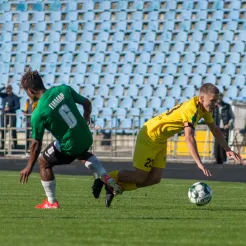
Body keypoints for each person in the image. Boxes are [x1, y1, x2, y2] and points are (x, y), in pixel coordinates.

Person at [93, 83, 244, 207]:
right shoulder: (191, 108)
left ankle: (113, 187)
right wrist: (199, 163)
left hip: (160, 140)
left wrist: (228, 149)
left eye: (216, 101)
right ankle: (104, 178)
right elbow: (189, 137)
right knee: (140, 176)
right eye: (212, 101)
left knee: (155, 178)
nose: (215, 104)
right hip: (150, 135)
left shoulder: (204, 109)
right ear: (201, 98)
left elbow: (215, 129)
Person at [19, 68, 121, 209]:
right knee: (80, 153)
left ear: (30, 91)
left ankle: (51, 202)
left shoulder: (38, 113)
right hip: (86, 136)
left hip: (70, 143)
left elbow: (36, 144)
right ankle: (106, 177)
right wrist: (86, 118)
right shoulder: (63, 89)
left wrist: (29, 167)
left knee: (44, 161)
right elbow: (87, 104)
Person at [212, 93, 235, 164]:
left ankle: (223, 159)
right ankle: (217, 159)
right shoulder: (214, 107)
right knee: (216, 144)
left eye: (219, 98)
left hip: (224, 128)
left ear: (221, 98)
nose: (218, 100)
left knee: (224, 143)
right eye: (217, 98)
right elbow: (211, 116)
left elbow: (232, 117)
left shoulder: (227, 106)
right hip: (217, 128)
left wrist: (228, 124)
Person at [0, 84, 20, 149]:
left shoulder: (15, 97)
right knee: (3, 130)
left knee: (13, 130)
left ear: (11, 89)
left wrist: (10, 109)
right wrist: (4, 87)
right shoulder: (4, 95)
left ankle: (15, 145)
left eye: (9, 89)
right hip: (4, 116)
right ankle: (2, 145)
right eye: (7, 89)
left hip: (12, 115)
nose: (8, 90)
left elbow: (18, 106)